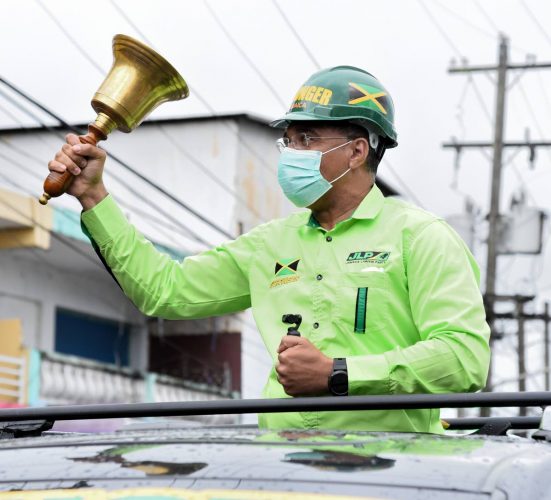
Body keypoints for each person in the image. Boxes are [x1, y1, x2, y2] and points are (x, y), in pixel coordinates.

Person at [48, 65, 490, 433]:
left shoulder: (420, 236)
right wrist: (93, 197)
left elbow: (464, 357)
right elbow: (165, 290)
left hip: (392, 473)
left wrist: (338, 374)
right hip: (279, 471)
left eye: (307, 139)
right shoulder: (271, 243)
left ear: (357, 151)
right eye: (289, 141)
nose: (291, 153)